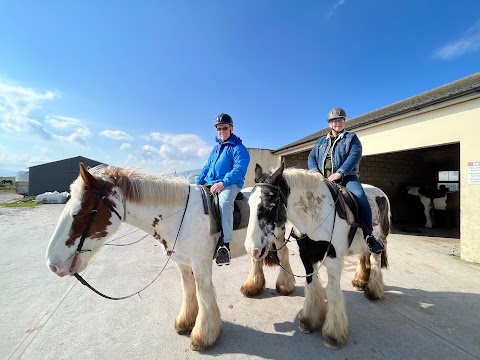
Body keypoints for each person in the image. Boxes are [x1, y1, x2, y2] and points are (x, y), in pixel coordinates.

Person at [307, 107, 385, 254]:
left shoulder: (351, 138)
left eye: (341, 120)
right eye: (335, 121)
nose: (338, 123)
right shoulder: (320, 142)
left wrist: (340, 173)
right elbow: (311, 157)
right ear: (330, 124)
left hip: (347, 178)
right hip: (323, 178)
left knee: (360, 197)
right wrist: (315, 172)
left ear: (344, 122)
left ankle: (369, 235)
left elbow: (354, 156)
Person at [196, 113, 251, 265]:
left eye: (224, 128)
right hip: (210, 182)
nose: (221, 131)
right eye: (219, 129)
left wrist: (222, 183)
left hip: (230, 184)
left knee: (224, 203)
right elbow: (207, 167)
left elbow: (239, 169)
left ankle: (225, 245)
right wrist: (198, 183)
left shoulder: (239, 148)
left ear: (231, 128)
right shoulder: (215, 149)